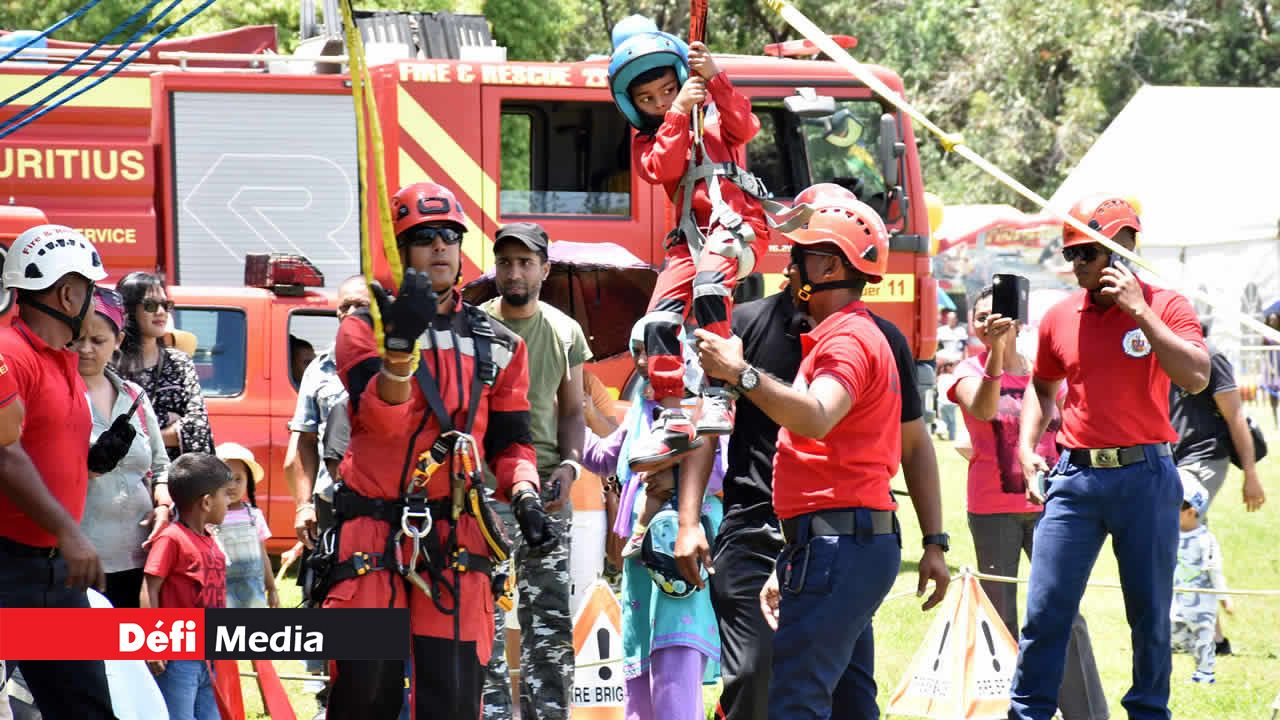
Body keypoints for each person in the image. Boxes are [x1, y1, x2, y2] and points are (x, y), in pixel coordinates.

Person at [674, 185, 947, 720]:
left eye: (799, 254)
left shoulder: (848, 341)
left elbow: (819, 417)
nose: (789, 266)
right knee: (836, 698)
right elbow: (710, 428)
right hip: (802, 538)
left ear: (825, 265)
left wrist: (741, 373)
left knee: (794, 700)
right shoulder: (823, 331)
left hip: (834, 542)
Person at [320, 181, 555, 720]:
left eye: (450, 235)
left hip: (457, 535)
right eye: (425, 237)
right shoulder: (363, 329)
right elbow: (380, 422)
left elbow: (511, 441)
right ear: (401, 249)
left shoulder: (500, 344)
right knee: (364, 695)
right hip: (372, 534)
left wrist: (523, 493)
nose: (441, 247)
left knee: (452, 698)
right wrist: (399, 350)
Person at [1014, 195, 1209, 720]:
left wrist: (1140, 312)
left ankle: (1148, 712)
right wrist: (1027, 446)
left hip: (1146, 475)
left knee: (1148, 615)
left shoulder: (1165, 305)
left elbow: (1196, 376)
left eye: (1087, 255)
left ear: (1122, 252)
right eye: (1071, 255)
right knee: (1045, 610)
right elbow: (1042, 385)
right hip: (1075, 477)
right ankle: (1027, 712)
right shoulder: (1058, 315)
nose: (1075, 266)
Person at [608, 14, 771, 465]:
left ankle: (720, 391)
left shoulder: (718, 118)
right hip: (690, 239)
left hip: (736, 227)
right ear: (632, 103)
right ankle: (673, 412)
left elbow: (747, 125)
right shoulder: (650, 140)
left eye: (666, 89)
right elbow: (666, 168)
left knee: (709, 287)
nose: (660, 101)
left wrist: (714, 78)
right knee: (655, 323)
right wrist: (679, 110)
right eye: (648, 98)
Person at [946, 285, 1108, 720]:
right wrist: (996, 355)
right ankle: (1009, 711)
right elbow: (981, 410)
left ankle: (1087, 714)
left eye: (994, 315)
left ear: (1017, 319)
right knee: (1000, 620)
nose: (986, 323)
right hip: (992, 512)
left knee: (1064, 615)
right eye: (978, 317)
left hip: (1050, 511)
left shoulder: (1046, 372)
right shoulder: (965, 371)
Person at [0, 224, 118, 719]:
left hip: (53, 573)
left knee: (85, 710)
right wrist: (70, 532)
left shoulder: (62, 362)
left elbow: (40, 446)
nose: (95, 304)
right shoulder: (9, 352)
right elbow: (3, 452)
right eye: (92, 291)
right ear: (69, 294)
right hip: (8, 569)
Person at [580, 318, 724, 720]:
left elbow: (718, 471)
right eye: (638, 351)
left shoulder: (702, 407)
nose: (644, 361)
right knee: (639, 674)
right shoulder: (642, 409)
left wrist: (667, 467)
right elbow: (604, 457)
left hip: (680, 552)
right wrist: (570, 410)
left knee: (675, 671)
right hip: (641, 564)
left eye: (654, 350)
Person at [480, 222, 589, 720]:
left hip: (547, 492)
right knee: (484, 620)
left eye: (525, 262)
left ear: (545, 269)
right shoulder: (474, 327)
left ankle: (549, 713)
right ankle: (494, 715)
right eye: (505, 262)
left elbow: (572, 409)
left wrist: (570, 466)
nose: (514, 271)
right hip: (484, 494)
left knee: (548, 620)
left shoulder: (565, 330)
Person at [77, 287, 173, 609]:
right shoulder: (60, 394)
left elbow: (161, 466)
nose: (86, 349)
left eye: (98, 341)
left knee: (134, 652)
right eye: (78, 339)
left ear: (117, 341)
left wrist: (163, 502)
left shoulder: (134, 396)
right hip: (84, 559)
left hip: (140, 554)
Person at [141, 452, 236, 720]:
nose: (229, 502)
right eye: (225, 495)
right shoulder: (172, 539)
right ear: (206, 502)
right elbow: (150, 588)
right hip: (178, 657)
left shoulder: (209, 539)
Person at [1169, 323, 1267, 522]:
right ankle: (1205, 552)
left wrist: (1250, 474)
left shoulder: (1210, 357)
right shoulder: (1165, 357)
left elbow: (1235, 416)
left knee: (1179, 517)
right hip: (1173, 458)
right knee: (1183, 527)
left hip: (1205, 455)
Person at [116, 272, 214, 460]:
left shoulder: (180, 363)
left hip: (176, 478)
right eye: (151, 305)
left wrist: (140, 436)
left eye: (165, 305)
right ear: (128, 311)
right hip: (125, 480)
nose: (161, 312)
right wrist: (167, 420)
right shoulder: (110, 367)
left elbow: (199, 428)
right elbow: (107, 428)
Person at [1170, 477, 1228, 685]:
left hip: (1202, 602)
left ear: (1191, 511)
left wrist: (1224, 599)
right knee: (1172, 634)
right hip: (1177, 600)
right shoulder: (1170, 536)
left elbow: (1215, 570)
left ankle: (1205, 674)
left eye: (1175, 508)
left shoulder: (1205, 539)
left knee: (1204, 638)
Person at [213, 442, 278, 609]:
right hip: (220, 592)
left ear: (248, 482)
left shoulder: (254, 516)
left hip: (253, 592)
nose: (232, 485)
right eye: (226, 478)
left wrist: (271, 588)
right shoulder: (210, 516)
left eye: (238, 479)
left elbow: (263, 555)